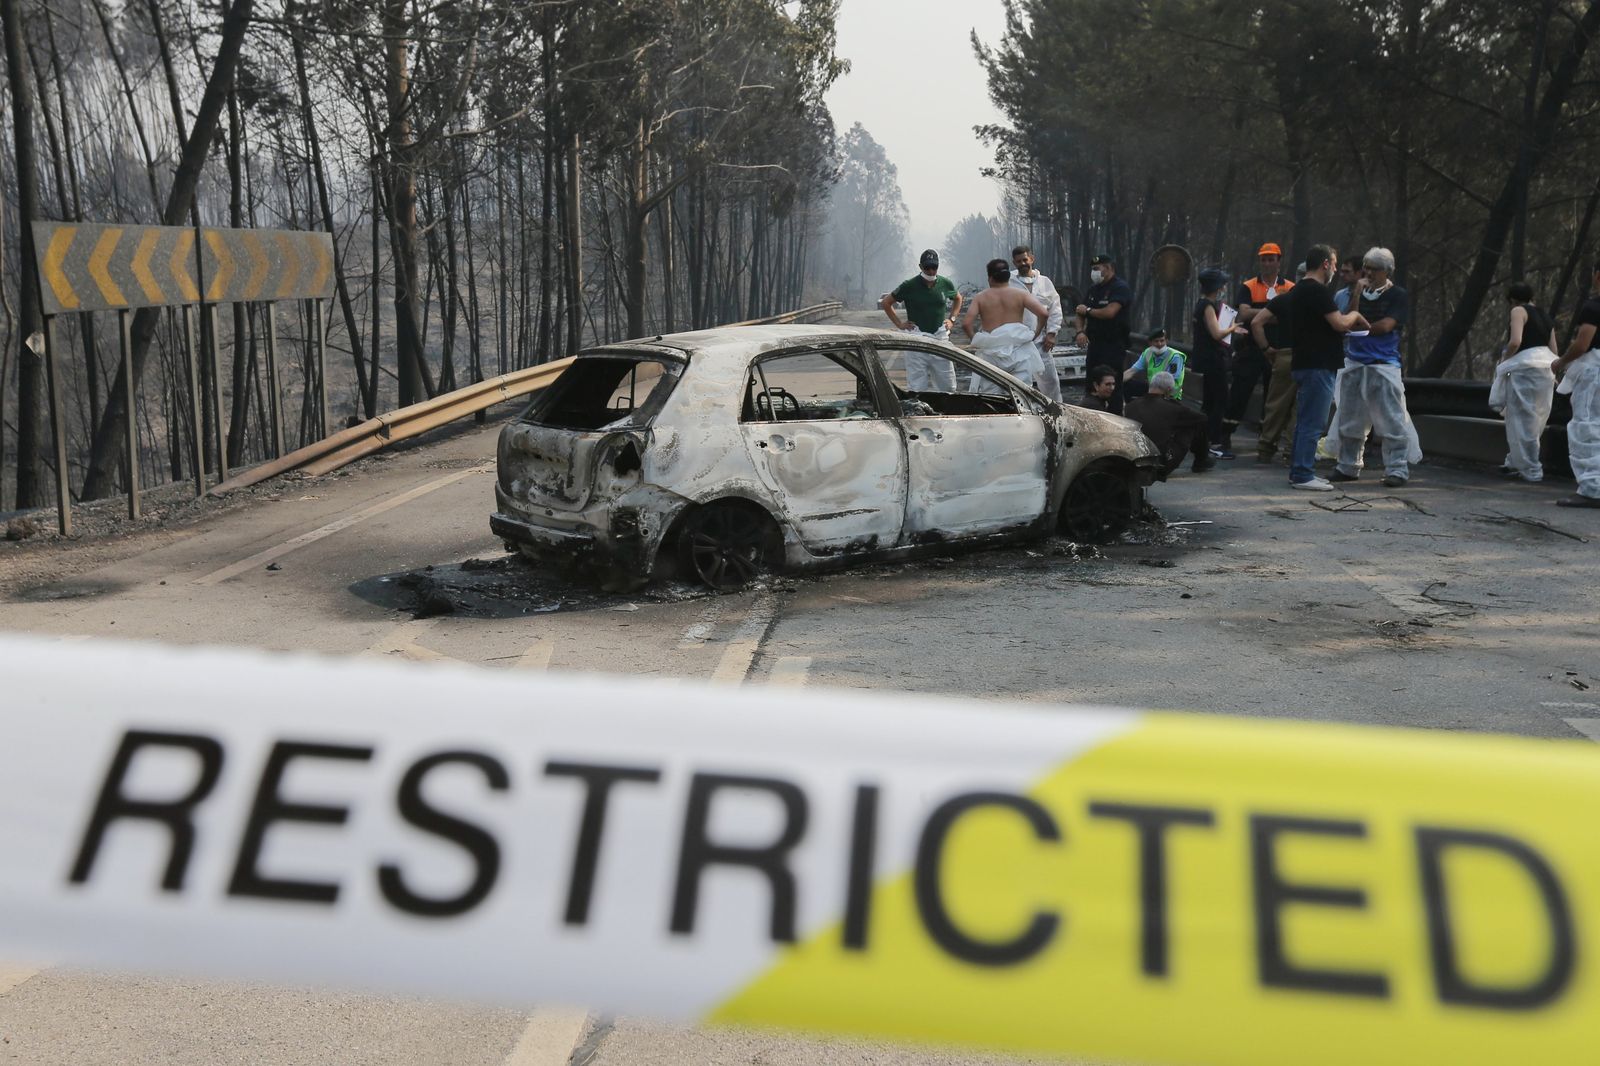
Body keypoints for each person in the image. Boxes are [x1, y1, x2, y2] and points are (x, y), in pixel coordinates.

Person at [1251, 245, 1367, 490]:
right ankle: (1303, 474)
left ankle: (1299, 471)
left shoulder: (1297, 291)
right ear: (1325, 263)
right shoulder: (1318, 291)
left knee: (1304, 421)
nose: (1335, 269)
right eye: (1334, 264)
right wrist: (1355, 316)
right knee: (1313, 422)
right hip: (1319, 364)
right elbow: (1339, 323)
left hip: (1303, 361)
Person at [1328, 248, 1413, 488]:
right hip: (1355, 362)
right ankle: (1348, 465)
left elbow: (1386, 326)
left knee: (1392, 421)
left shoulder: (1397, 295)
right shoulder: (1358, 292)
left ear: (1386, 271)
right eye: (1366, 267)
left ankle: (1397, 469)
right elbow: (1349, 317)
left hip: (1383, 364)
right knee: (1350, 418)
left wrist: (1359, 328)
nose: (1368, 273)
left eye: (1374, 269)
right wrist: (1357, 293)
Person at [1228, 243, 1295, 456]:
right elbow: (1243, 314)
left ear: (1278, 261)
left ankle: (1266, 439)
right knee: (1239, 392)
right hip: (1250, 348)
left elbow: (1291, 316)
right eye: (1263, 259)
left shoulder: (1290, 287)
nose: (1266, 263)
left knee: (1273, 397)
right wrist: (1273, 314)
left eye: (1270, 259)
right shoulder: (1248, 286)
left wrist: (1258, 314)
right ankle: (1224, 436)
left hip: (1278, 349)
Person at [1489, 283, 1558, 483]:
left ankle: (1531, 468)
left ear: (1512, 299)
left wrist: (1505, 360)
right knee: (1536, 418)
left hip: (1525, 369)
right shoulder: (1544, 315)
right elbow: (1554, 349)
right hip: (1545, 369)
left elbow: (1515, 341)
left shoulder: (1518, 311)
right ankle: (1515, 461)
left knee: (1520, 418)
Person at [1553, 260, 1600, 508]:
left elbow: (1582, 344)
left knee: (1586, 428)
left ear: (1598, 276)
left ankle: (1593, 489)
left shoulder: (1593, 307)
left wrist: (1560, 362)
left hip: (1594, 373)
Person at [964, 258, 1049, 394]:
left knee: (992, 397)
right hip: (1018, 352)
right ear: (1008, 276)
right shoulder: (1020, 294)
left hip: (991, 354)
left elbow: (966, 323)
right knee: (1021, 394)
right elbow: (1043, 313)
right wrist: (1035, 333)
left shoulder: (981, 297)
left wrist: (976, 340)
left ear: (990, 278)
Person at [881, 249, 962, 391]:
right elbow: (886, 302)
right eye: (927, 267)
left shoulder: (945, 284)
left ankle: (946, 405)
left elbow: (958, 298)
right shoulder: (909, 286)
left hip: (940, 338)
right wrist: (899, 324)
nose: (931, 271)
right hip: (916, 340)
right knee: (917, 386)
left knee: (948, 385)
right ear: (920, 267)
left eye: (934, 267)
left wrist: (952, 319)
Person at [1191, 268, 1246, 456]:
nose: (1223, 288)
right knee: (1220, 401)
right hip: (1214, 360)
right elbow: (1216, 334)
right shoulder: (1207, 306)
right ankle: (1214, 442)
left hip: (1208, 359)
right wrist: (1232, 327)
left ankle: (1202, 440)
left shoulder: (1202, 303)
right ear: (1215, 286)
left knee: (1209, 401)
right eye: (1222, 285)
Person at [1075, 254, 1135, 414]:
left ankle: (1114, 417)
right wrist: (1080, 331)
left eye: (1096, 269)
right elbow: (1079, 311)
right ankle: (1091, 415)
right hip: (1095, 345)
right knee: (1092, 384)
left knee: (1112, 385)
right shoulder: (1093, 290)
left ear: (1108, 268)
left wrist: (1088, 311)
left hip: (1113, 346)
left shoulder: (1119, 288)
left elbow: (1110, 312)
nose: (1093, 273)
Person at [1124, 371, 1214, 478]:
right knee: (1195, 422)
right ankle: (1201, 461)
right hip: (1161, 463)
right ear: (1168, 390)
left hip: (1134, 460)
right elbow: (1202, 418)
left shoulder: (1130, 406)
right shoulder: (1172, 408)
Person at [1010, 245, 1065, 402]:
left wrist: (1052, 333)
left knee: (1050, 381)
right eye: (1018, 261)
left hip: (1041, 342)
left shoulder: (1044, 282)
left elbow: (1055, 308)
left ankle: (1055, 409)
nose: (1022, 264)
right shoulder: (1009, 282)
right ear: (1014, 263)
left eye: (1025, 260)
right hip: (1017, 343)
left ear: (1032, 259)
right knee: (1019, 382)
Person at [1124, 328, 1188, 399]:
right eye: (1156, 341)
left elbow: (1170, 382)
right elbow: (1132, 371)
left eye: (1162, 341)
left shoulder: (1175, 356)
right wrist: (1117, 382)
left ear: (1166, 341)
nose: (1159, 344)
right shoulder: (1148, 353)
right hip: (1153, 389)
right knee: (1127, 385)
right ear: (1150, 343)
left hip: (1169, 394)